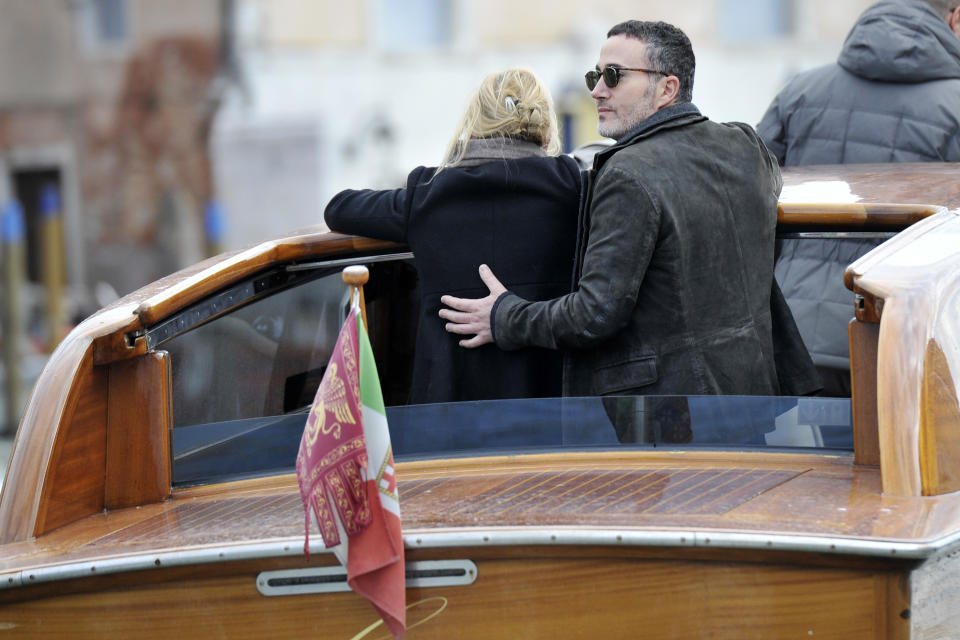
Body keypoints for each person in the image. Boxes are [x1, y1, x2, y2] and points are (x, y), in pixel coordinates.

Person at [440, 21, 788, 402]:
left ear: (667, 89)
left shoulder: (629, 173)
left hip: (668, 423)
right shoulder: (745, 145)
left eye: (613, 76)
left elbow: (594, 315)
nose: (596, 90)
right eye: (596, 74)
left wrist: (505, 316)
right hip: (753, 400)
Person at [324, 68, 580, 404]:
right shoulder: (571, 189)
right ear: (544, 130)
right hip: (548, 412)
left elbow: (338, 208)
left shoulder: (430, 196)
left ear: (474, 124)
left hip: (448, 415)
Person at [757, 0, 960, 396]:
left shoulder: (800, 91)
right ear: (954, 17)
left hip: (795, 329)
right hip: (914, 332)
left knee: (817, 458)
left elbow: (749, 194)